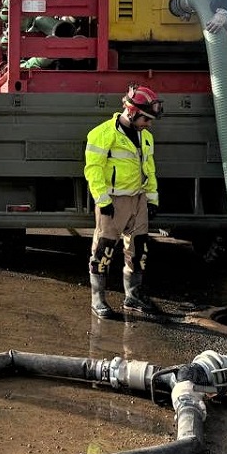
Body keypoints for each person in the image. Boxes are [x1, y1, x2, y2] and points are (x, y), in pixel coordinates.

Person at [83, 84, 163, 317]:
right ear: (132, 111)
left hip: (138, 200)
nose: (149, 124)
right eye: (146, 119)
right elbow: (93, 170)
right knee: (103, 250)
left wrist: (151, 199)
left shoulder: (145, 137)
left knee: (138, 251)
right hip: (114, 201)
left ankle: (133, 296)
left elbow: (149, 169)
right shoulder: (102, 134)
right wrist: (103, 200)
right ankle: (98, 299)